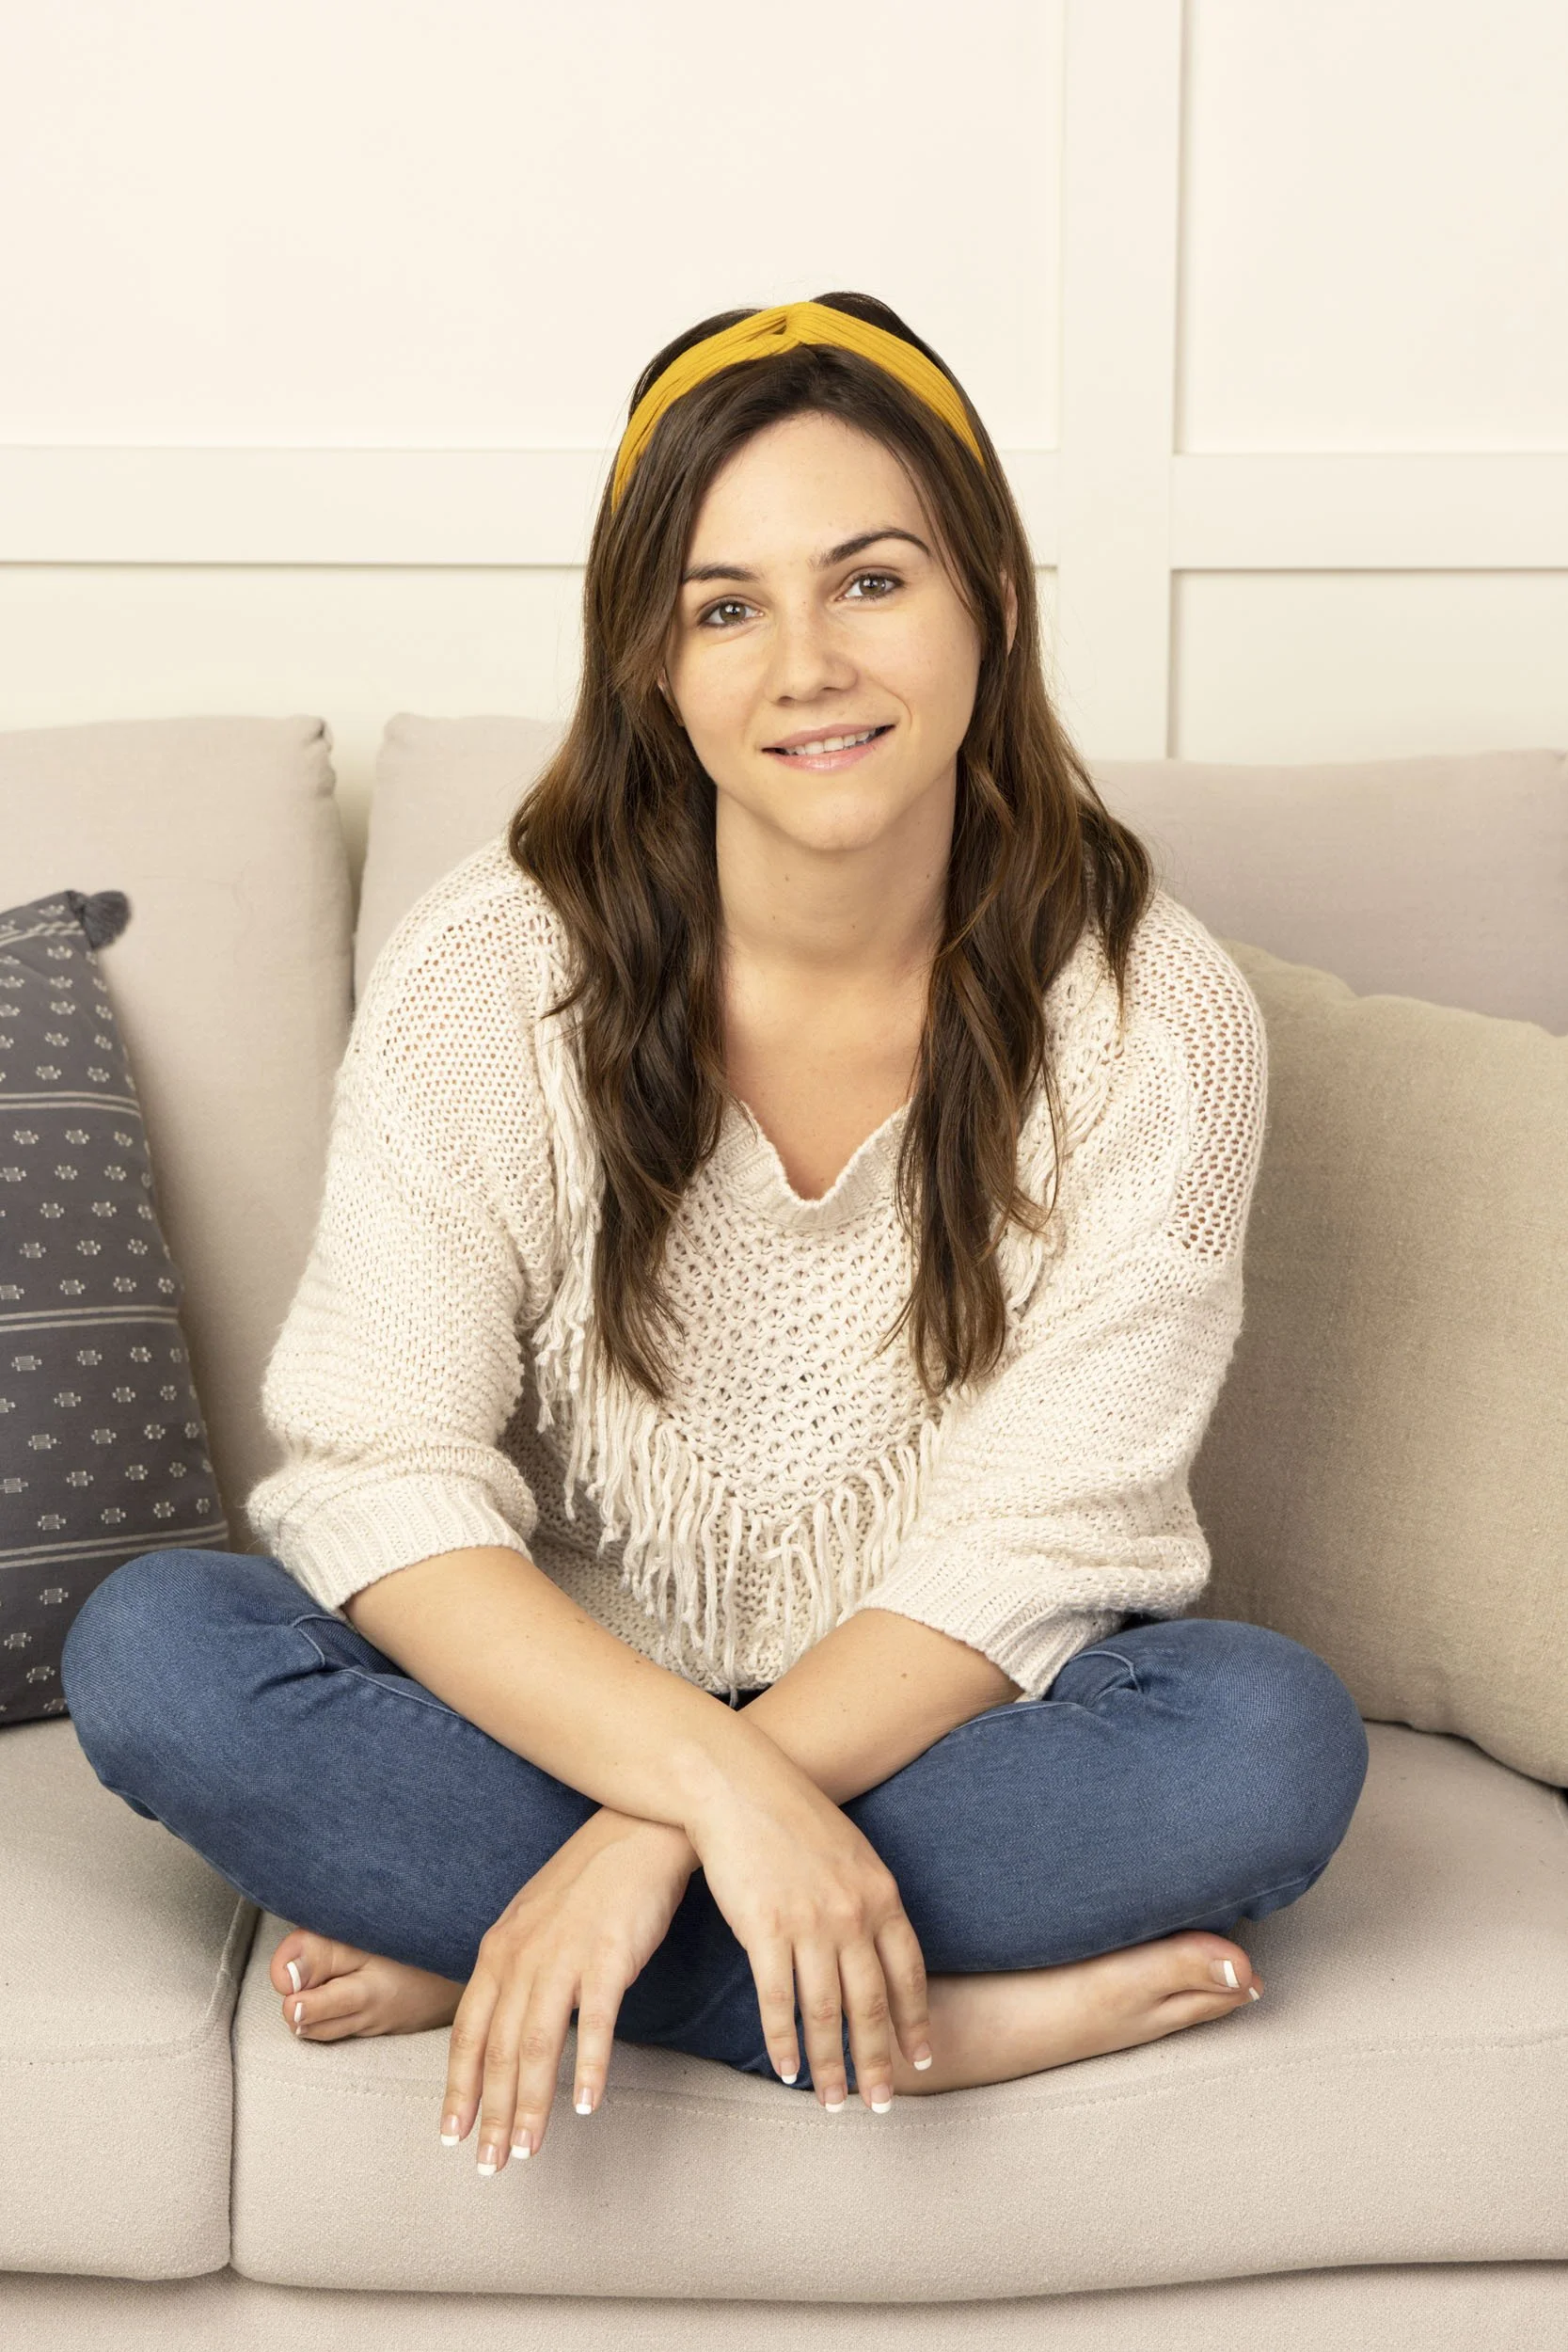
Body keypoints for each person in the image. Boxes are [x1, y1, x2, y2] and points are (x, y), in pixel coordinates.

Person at [60, 292, 1369, 2182]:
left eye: (870, 580)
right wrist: (691, 1771)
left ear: (987, 594)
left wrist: (649, 1834)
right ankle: (897, 2027)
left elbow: (1044, 1534)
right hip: (547, 1701)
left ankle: (520, 1943)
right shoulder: (496, 966)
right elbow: (383, 1468)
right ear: (649, 665)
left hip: (938, 1725)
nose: (806, 666)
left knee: (1261, 1738)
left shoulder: (1153, 1017)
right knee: (162, 1647)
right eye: (723, 605)